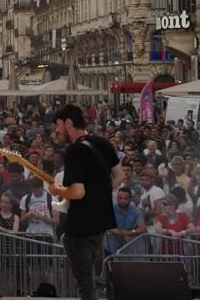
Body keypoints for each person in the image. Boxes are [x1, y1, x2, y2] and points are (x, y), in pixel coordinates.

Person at [50, 104, 124, 300]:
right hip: (100, 224)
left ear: (68, 123)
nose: (56, 131)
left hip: (80, 227)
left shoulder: (74, 151)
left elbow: (77, 192)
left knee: (86, 286)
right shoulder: (103, 143)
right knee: (90, 281)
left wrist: (57, 189)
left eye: (58, 125)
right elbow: (119, 174)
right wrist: (100, 194)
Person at [104, 187, 145, 256]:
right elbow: (109, 227)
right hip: (111, 247)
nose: (122, 200)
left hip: (128, 249)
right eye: (120, 198)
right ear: (117, 198)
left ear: (130, 199)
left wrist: (131, 232)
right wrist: (125, 234)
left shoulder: (136, 211)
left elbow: (142, 227)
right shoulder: (111, 210)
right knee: (109, 266)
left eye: (125, 198)